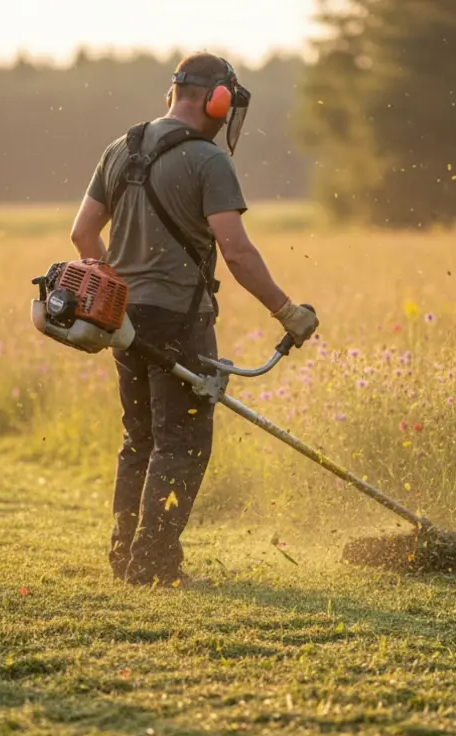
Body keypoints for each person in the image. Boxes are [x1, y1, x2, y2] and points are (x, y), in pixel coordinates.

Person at [68, 51, 319, 587]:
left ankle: (128, 558)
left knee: (140, 439)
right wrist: (288, 312)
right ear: (217, 101)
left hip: (122, 321)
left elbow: (83, 234)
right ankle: (155, 566)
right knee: (181, 443)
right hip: (180, 321)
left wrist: (115, 292)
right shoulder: (208, 160)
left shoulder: (121, 147)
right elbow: (238, 253)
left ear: (174, 92)